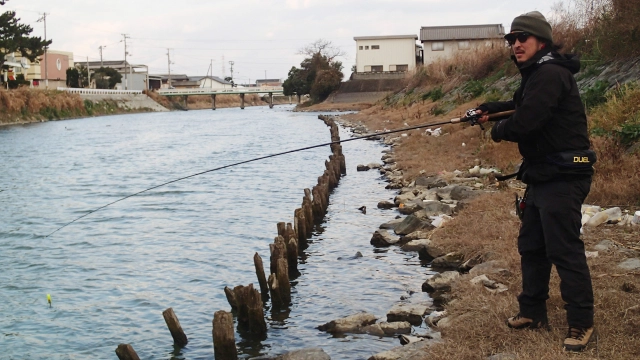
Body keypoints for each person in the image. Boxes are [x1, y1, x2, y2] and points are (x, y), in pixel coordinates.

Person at [474, 11, 596, 352]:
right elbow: (517, 105)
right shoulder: (536, 75)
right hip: (543, 175)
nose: (515, 45)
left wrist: (496, 130)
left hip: (565, 176)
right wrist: (488, 109)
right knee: (532, 246)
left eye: (521, 39)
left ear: (541, 40)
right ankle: (532, 312)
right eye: (511, 40)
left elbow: (527, 120)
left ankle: (582, 323)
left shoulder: (551, 74)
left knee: (564, 250)